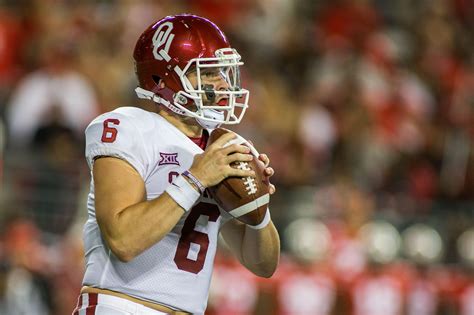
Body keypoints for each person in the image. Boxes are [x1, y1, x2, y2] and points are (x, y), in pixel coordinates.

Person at [72, 14, 280, 315]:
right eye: (207, 74)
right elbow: (123, 240)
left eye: (222, 72)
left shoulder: (225, 147)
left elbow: (264, 265)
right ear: (162, 79)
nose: (222, 83)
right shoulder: (129, 127)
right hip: (121, 306)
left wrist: (258, 206)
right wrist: (196, 179)